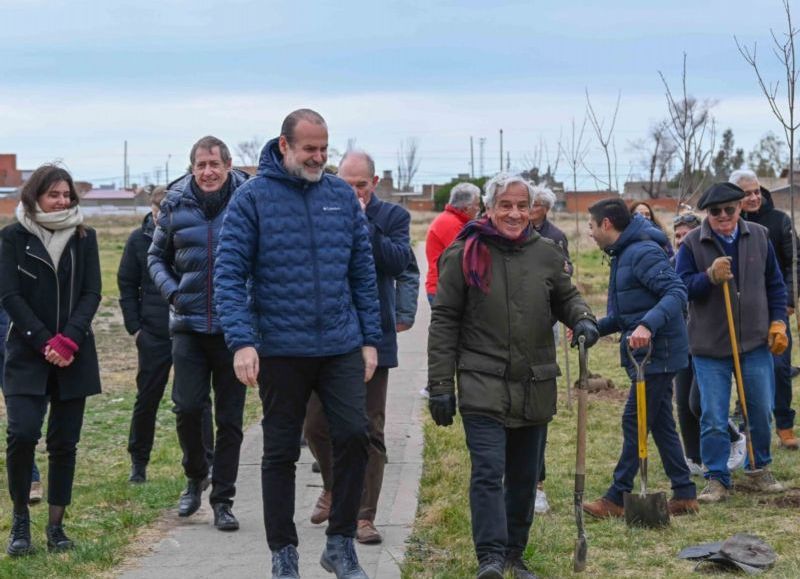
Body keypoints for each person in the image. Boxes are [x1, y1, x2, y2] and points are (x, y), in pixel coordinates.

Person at [214, 109, 381, 579]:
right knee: (280, 452)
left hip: (339, 344)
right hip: (280, 347)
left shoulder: (340, 197)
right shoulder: (252, 199)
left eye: (324, 149)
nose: (318, 157)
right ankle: (283, 554)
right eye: (310, 148)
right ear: (284, 145)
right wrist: (242, 341)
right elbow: (228, 274)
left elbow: (362, 272)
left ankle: (340, 544)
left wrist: (370, 339)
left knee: (354, 435)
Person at [427, 172, 598, 579]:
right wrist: (440, 386)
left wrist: (584, 319)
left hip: (534, 383)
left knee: (523, 477)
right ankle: (489, 557)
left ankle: (513, 554)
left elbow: (567, 297)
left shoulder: (546, 254)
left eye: (522, 206)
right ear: (489, 208)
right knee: (488, 472)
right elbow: (444, 321)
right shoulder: (464, 253)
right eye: (505, 205)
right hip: (482, 381)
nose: (515, 213)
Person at [304, 149, 415, 545]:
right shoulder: (319, 211)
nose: (354, 192)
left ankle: (364, 516)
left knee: (369, 429)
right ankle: (335, 487)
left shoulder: (393, 217)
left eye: (361, 186)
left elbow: (398, 262)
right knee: (316, 425)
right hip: (325, 337)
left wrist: (362, 223)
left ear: (375, 183)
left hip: (373, 336)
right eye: (346, 185)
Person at [148, 136, 249, 531]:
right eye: (201, 165)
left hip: (233, 328)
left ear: (228, 165)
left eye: (214, 164)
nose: (208, 172)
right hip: (188, 325)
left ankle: (223, 499)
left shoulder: (247, 201)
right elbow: (156, 257)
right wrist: (173, 293)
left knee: (230, 419)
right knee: (187, 407)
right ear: (192, 168)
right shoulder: (175, 204)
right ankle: (195, 476)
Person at [0, 164, 102, 555]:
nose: (62, 201)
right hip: (27, 353)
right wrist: (45, 342)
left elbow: (92, 292)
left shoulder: (84, 237)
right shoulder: (12, 237)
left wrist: (69, 340)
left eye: (67, 195)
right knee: (22, 434)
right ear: (35, 196)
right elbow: (9, 295)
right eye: (53, 194)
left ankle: (56, 526)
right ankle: (20, 522)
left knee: (64, 442)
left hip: (75, 354)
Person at [582, 198, 698, 519]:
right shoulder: (623, 254)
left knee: (635, 419)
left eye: (591, 226)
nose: (590, 232)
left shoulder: (642, 252)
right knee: (660, 422)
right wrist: (593, 329)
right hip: (648, 352)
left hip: (658, 351)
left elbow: (676, 292)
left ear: (606, 224)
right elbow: (626, 314)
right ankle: (685, 493)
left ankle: (617, 497)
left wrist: (648, 325)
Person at [675, 182, 788, 502]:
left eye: (729, 209)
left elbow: (775, 284)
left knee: (760, 410)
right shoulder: (693, 243)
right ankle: (717, 478)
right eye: (715, 211)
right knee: (712, 416)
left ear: (740, 207)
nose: (723, 216)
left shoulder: (760, 236)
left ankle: (758, 469)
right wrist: (708, 277)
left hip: (754, 342)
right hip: (710, 347)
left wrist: (778, 320)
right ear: (707, 214)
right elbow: (680, 287)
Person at [119, 186, 214, 483]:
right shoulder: (138, 240)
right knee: (147, 397)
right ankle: (139, 461)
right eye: (157, 213)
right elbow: (126, 284)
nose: (162, 219)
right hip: (154, 333)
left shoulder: (190, 233)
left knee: (197, 401)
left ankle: (207, 460)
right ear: (152, 210)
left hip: (190, 330)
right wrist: (135, 328)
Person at [672, 213, 747, 477]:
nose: (680, 241)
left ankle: (735, 437)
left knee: (698, 402)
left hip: (707, 339)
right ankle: (694, 457)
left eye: (685, 235)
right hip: (680, 339)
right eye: (676, 236)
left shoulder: (709, 261)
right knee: (683, 401)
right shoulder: (670, 264)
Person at [734, 169, 800, 450]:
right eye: (746, 193)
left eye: (756, 191)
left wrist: (788, 301)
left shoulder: (779, 221)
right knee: (743, 367)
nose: (754, 197)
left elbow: (794, 262)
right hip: (740, 311)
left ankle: (784, 426)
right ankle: (745, 422)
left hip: (775, 307)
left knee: (780, 367)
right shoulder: (729, 223)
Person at [527, 183, 572, 515]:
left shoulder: (555, 236)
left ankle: (537, 485)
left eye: (533, 205)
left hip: (544, 321)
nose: (529, 211)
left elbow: (564, 272)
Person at [425, 182, 481, 303]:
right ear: (466, 208)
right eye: (477, 205)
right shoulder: (452, 224)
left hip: (444, 287)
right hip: (444, 290)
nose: (478, 209)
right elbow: (468, 257)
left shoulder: (452, 220)